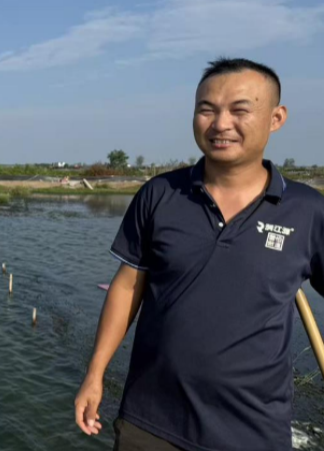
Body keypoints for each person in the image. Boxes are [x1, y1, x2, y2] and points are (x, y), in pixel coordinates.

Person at [74, 57, 324, 450]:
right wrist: (94, 373)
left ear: (276, 118)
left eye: (240, 110)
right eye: (206, 110)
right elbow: (127, 288)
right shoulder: (160, 195)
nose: (220, 123)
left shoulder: (308, 211)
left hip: (253, 432)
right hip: (150, 424)